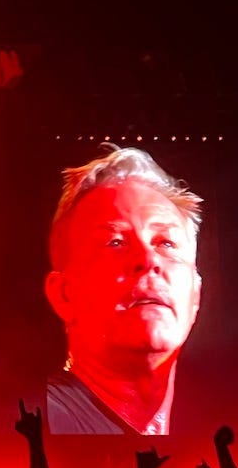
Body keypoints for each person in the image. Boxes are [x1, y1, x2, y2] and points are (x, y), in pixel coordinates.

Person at [43, 145, 202, 434]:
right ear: (63, 294)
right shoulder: (35, 420)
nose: (149, 260)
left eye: (166, 243)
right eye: (115, 242)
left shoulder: (225, 424)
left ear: (196, 295)